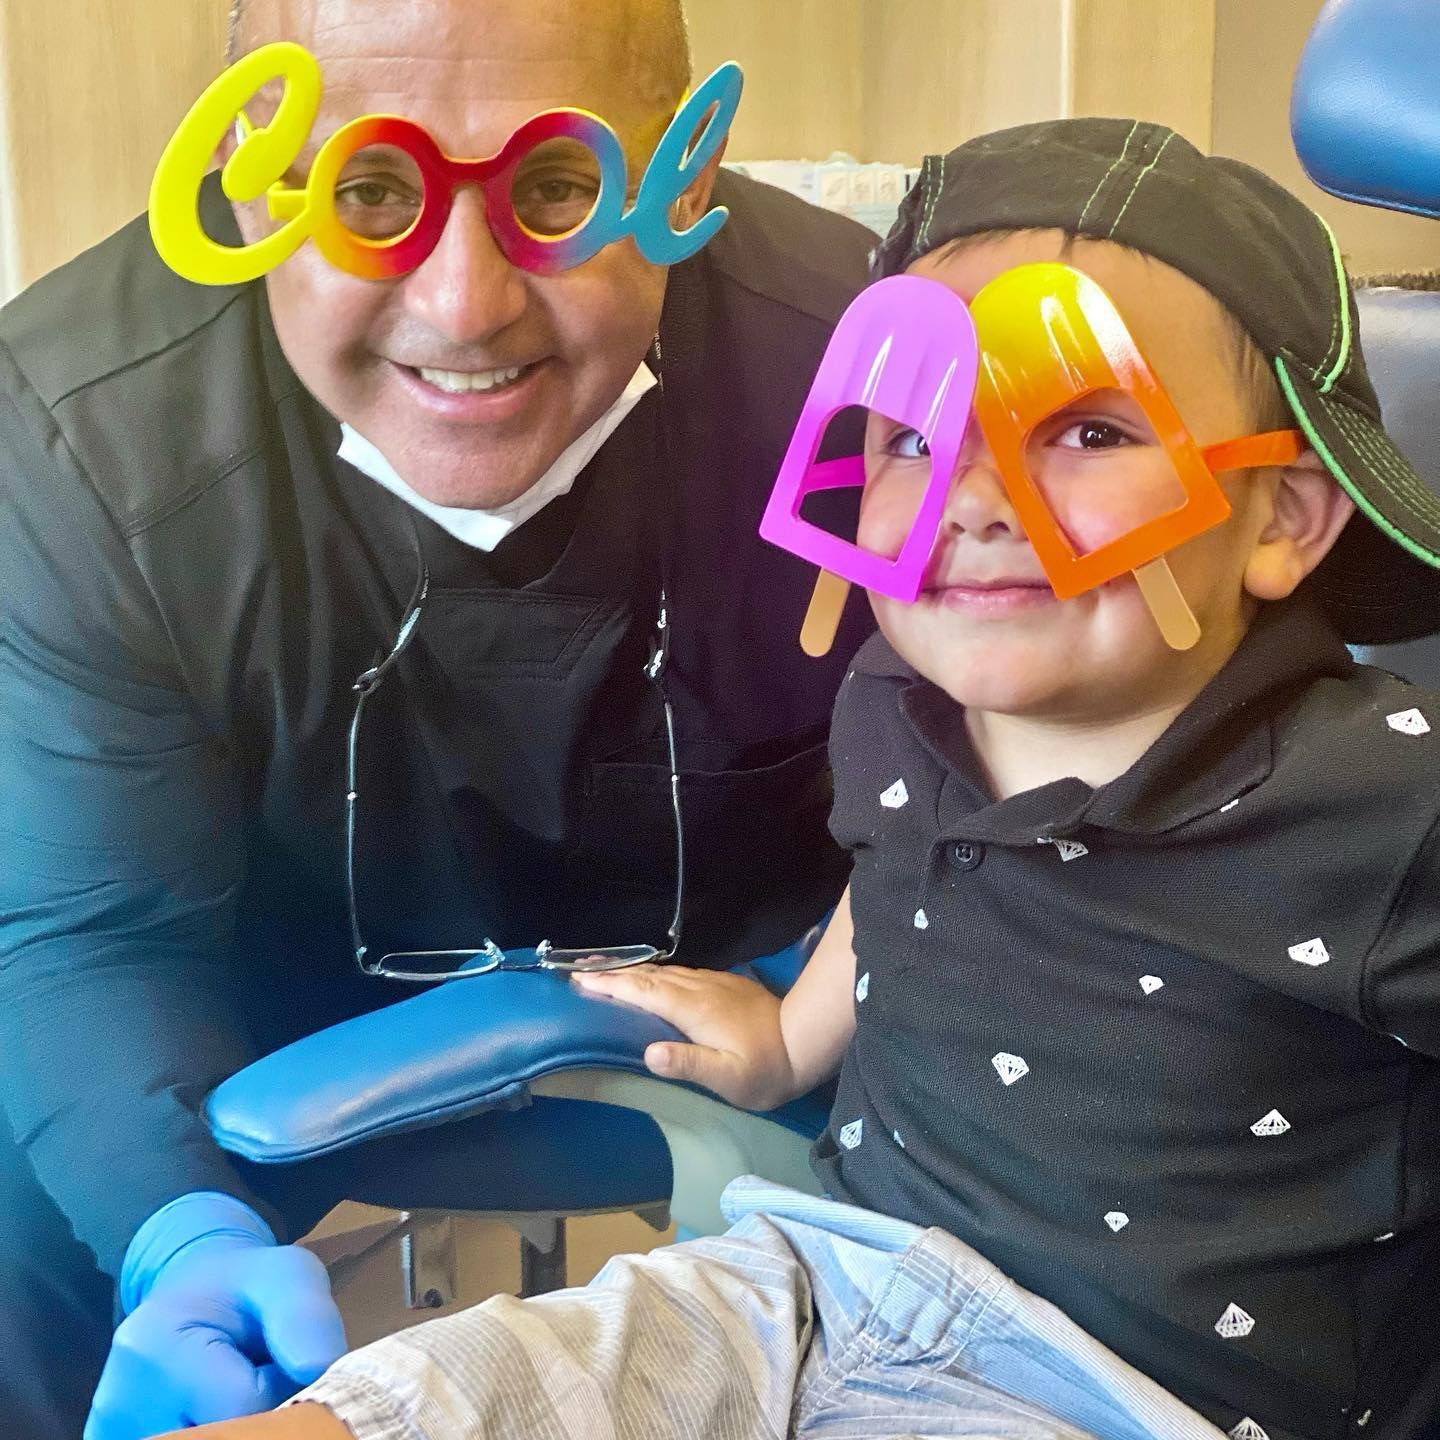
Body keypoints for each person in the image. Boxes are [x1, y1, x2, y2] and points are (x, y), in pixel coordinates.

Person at [176, 118, 1440, 1440]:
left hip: (1128, 1392)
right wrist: (793, 1040)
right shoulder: (899, 698)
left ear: (1283, 516)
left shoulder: (1384, 806)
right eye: (916, 440)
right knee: (452, 1392)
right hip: (825, 1277)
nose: (975, 497)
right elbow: (901, 878)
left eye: (1086, 429)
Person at [0, 0, 877, 1435]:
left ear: (690, 177)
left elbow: (1010, 803)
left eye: (560, 186)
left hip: (782, 1017)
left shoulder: (869, 382)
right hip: (245, 1036)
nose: (466, 305)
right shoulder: (79, 429)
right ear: (247, 190)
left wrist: (825, 1007)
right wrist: (179, 1237)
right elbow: (92, 930)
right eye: (368, 191)